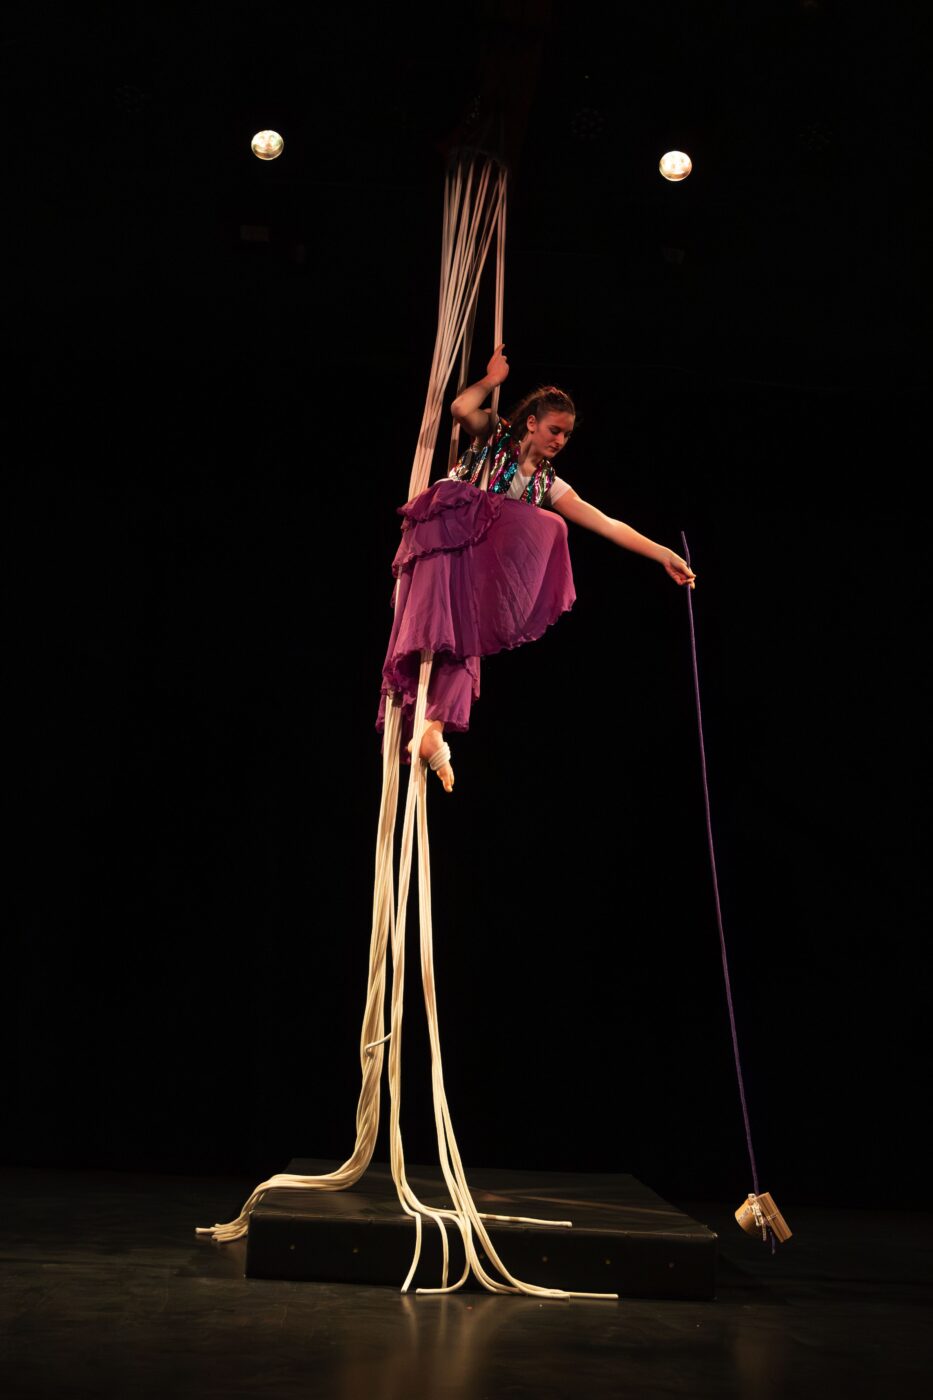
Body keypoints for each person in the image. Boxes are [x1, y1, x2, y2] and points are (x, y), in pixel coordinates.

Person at [377, 345, 695, 792]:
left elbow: (606, 523)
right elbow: (460, 409)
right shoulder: (496, 436)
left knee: (466, 640)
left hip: (471, 566)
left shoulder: (548, 482)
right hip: (441, 539)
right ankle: (418, 721)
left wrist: (662, 553)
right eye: (554, 430)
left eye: (566, 435)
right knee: (430, 630)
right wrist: (491, 380)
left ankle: (432, 730)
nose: (559, 441)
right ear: (531, 423)